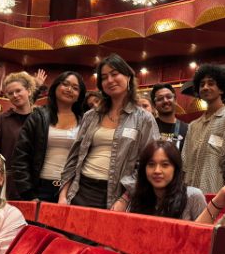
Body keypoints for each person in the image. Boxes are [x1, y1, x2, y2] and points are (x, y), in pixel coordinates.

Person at [59, 55, 159, 210]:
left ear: (128, 76)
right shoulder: (91, 116)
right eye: (104, 77)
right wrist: (63, 195)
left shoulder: (144, 118)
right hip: (82, 190)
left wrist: (125, 199)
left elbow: (149, 164)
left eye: (114, 74)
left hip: (119, 194)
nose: (110, 80)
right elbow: (74, 157)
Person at [12, 71, 87, 202]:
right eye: (65, 84)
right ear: (55, 87)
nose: (69, 89)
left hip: (74, 189)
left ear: (79, 95)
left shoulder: (85, 120)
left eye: (75, 88)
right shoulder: (38, 116)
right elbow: (20, 155)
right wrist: (28, 192)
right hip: (40, 188)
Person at [181, 64, 225, 194]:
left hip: (217, 195)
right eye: (202, 84)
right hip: (190, 196)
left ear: (221, 89)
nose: (205, 87)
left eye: (211, 83)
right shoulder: (193, 125)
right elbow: (184, 164)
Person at [127, 140, 206, 221]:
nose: (157, 171)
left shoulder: (193, 197)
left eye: (165, 165)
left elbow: (206, 232)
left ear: (175, 169)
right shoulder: (138, 198)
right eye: (151, 164)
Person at [0, 72, 37, 200]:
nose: (15, 95)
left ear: (29, 91)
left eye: (18, 90)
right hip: (10, 185)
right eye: (10, 93)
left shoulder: (42, 117)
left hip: (38, 184)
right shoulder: (1, 120)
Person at [152, 83, 188, 151]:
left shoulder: (186, 129)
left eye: (169, 97)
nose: (165, 101)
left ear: (175, 101)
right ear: (154, 106)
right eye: (160, 98)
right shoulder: (149, 127)